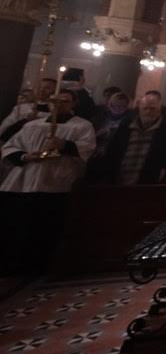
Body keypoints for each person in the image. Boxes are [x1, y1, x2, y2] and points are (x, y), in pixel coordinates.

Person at [0, 89, 96, 271]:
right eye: (56, 101)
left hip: (55, 181)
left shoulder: (82, 126)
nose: (59, 104)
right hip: (23, 180)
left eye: (65, 101)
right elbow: (10, 146)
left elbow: (87, 148)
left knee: (45, 227)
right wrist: (25, 156)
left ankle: (38, 265)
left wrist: (65, 145)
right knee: (14, 224)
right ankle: (10, 263)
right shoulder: (31, 125)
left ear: (73, 103)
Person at [90, 90, 166, 185]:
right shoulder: (127, 125)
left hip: (149, 182)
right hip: (119, 178)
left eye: (152, 108)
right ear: (139, 109)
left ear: (159, 110)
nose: (148, 111)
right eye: (145, 108)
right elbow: (113, 149)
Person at [0, 77, 56, 142]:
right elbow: (6, 125)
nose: (41, 90)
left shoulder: (55, 111)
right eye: (39, 86)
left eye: (47, 88)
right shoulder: (21, 108)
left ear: (55, 90)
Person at [92, 91, 131, 157]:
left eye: (122, 106)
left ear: (127, 106)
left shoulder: (129, 120)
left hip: (115, 153)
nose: (117, 108)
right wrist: (96, 135)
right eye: (114, 105)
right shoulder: (100, 116)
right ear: (109, 104)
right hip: (95, 150)